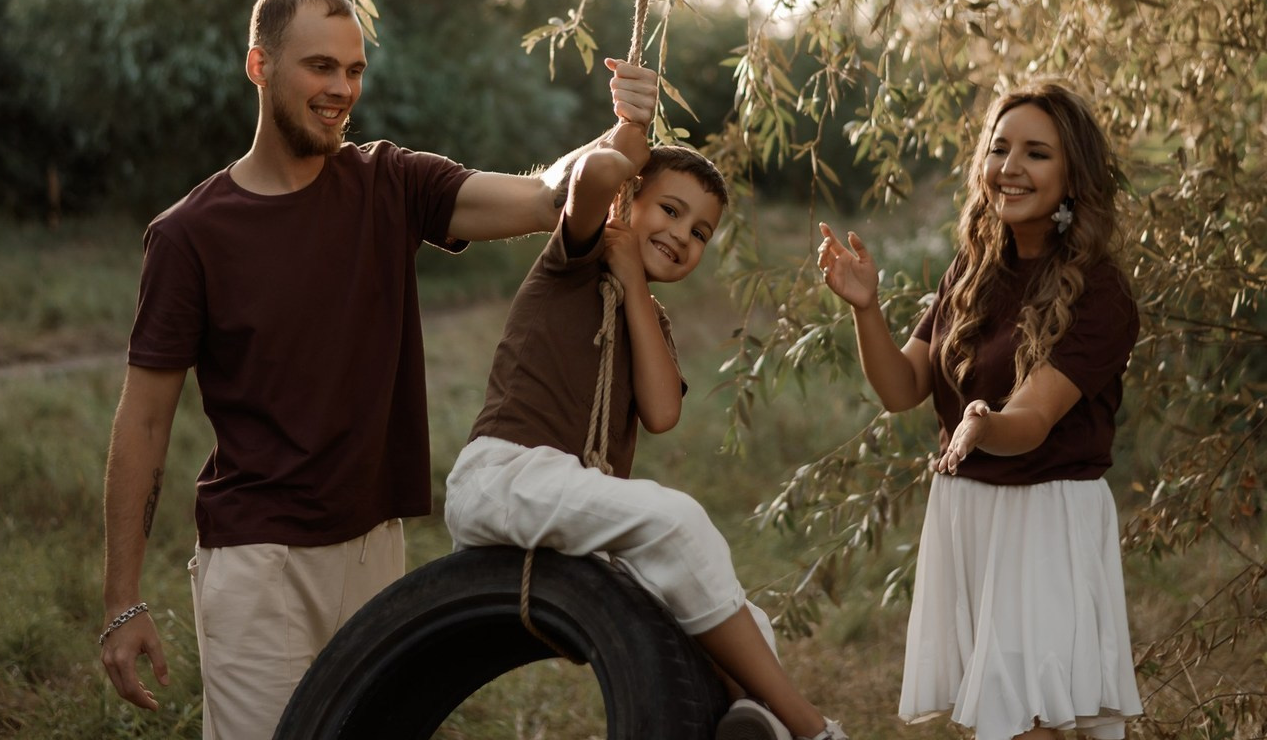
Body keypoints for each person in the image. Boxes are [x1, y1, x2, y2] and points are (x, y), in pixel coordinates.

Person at [98, 0, 660, 740]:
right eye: (320, 67)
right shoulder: (189, 234)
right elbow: (143, 422)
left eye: (355, 70)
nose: (341, 90)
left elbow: (543, 199)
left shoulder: (391, 182)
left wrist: (619, 136)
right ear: (259, 66)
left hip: (374, 548)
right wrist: (122, 601)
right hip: (258, 560)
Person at [444, 123, 849, 740]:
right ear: (626, 202)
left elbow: (662, 413)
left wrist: (634, 284)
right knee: (677, 520)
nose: (680, 237)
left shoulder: (646, 317)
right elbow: (592, 177)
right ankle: (812, 729)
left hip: (567, 503)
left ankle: (745, 724)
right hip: (504, 478)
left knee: (753, 627)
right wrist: (630, 129)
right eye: (669, 210)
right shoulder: (571, 258)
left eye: (700, 233)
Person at [817, 79, 1143, 740]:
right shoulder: (973, 268)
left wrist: (980, 423)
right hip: (970, 513)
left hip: (1044, 519)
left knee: (1034, 719)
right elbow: (902, 386)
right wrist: (867, 308)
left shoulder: (1100, 292)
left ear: (1074, 175)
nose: (1011, 167)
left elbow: (1029, 423)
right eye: (999, 148)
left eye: (1036, 153)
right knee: (1005, 719)